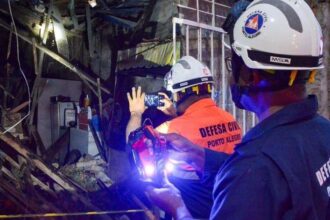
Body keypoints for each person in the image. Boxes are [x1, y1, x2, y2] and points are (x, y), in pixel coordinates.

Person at [146, 0, 330, 219]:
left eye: (234, 65)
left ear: (250, 75)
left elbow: (255, 173)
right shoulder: (321, 130)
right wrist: (199, 155)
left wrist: (177, 208)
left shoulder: (254, 166)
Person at [126, 56, 242, 218]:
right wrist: (174, 114)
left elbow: (135, 146)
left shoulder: (172, 129)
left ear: (180, 94)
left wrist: (136, 113)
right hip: (228, 207)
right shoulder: (231, 120)